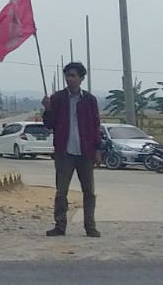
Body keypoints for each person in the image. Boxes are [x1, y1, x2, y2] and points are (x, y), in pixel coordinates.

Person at [42, 60, 101, 238]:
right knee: (61, 192)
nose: (70, 79)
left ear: (81, 78)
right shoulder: (57, 98)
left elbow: (95, 125)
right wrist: (47, 109)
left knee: (89, 192)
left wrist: (98, 150)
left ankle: (90, 226)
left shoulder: (90, 100)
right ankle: (60, 225)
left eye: (74, 76)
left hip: (85, 152)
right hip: (64, 152)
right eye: (68, 75)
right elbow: (49, 125)